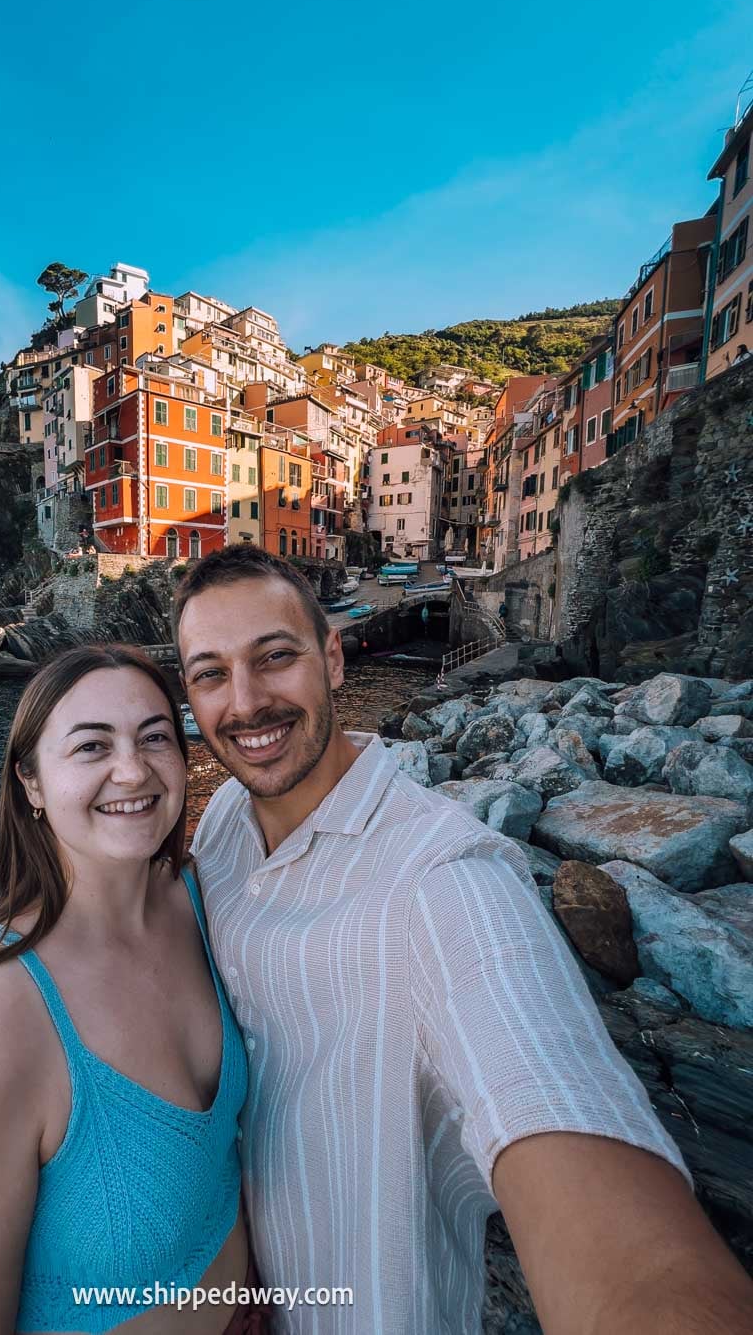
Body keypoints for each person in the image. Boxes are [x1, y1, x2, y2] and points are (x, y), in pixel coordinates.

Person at [172, 544, 753, 1335]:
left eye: (275, 658)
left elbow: (601, 1200)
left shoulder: (446, 882)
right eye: (210, 674)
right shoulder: (225, 827)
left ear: (334, 659)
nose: (244, 703)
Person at [0, 644, 263, 1335]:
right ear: (30, 782)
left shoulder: (201, 901)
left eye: (155, 737)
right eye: (91, 746)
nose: (132, 769)